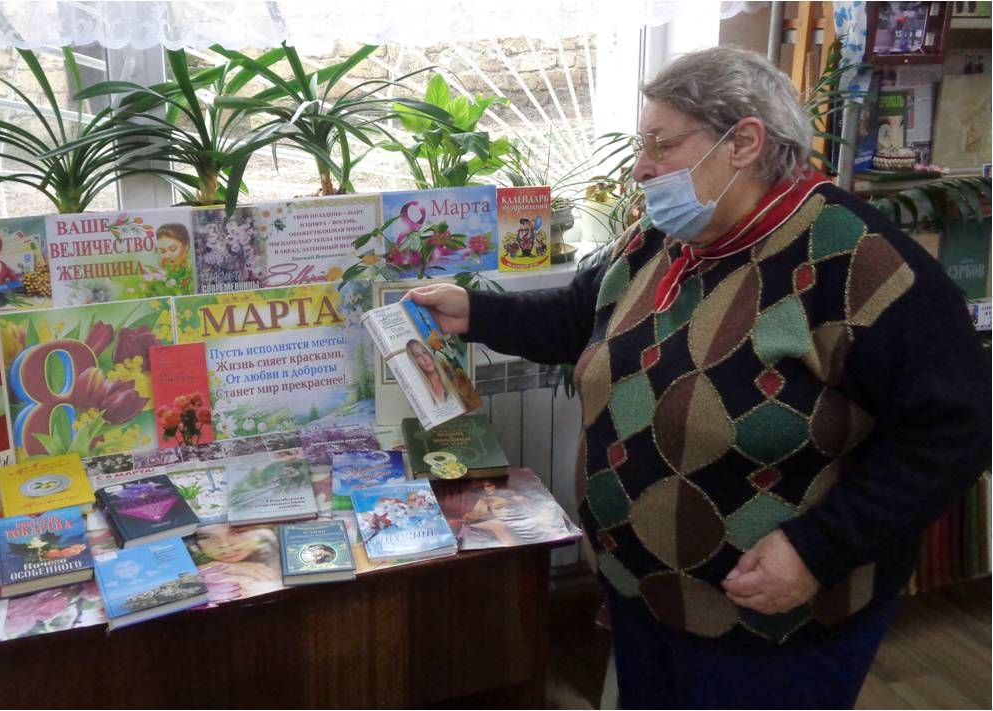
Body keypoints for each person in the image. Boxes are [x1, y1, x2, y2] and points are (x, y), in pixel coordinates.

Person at [410, 46, 990, 710]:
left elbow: (955, 431)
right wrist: (476, 312)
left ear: (743, 143)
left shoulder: (859, 260)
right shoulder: (665, 237)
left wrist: (817, 549)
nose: (641, 166)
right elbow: (580, 315)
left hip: (772, 628)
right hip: (644, 596)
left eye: (661, 144)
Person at [405, 338, 452, 405]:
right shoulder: (422, 391)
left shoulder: (450, 376)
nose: (424, 358)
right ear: (415, 362)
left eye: (424, 352)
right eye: (418, 356)